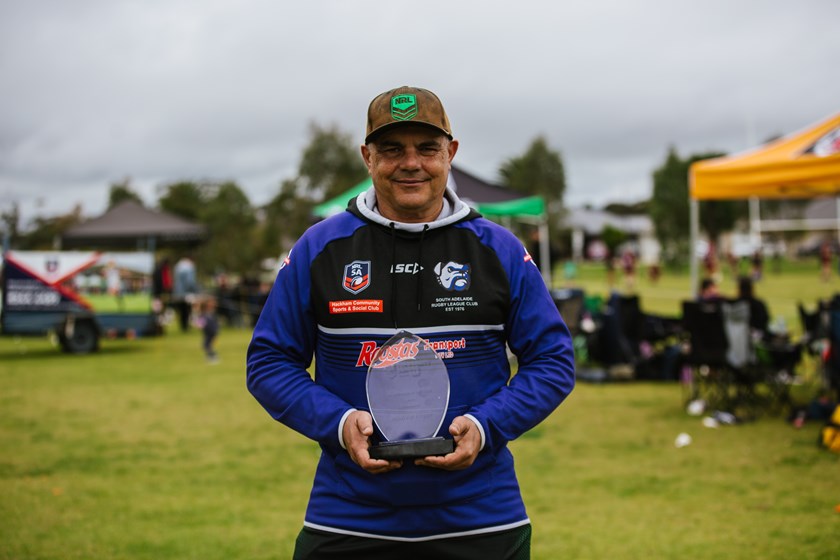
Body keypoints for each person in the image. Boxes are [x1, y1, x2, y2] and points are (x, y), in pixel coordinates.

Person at [246, 86, 575, 558]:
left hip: (481, 517)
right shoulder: (320, 247)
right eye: (391, 149)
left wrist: (485, 427)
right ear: (367, 157)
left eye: (426, 148)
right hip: (350, 517)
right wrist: (339, 424)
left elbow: (553, 361)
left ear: (451, 153)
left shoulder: (498, 250)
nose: (411, 163)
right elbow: (269, 362)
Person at [172, 255, 198, 332]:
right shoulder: (189, 267)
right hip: (186, 293)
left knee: (182, 310)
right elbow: (190, 282)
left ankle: (183, 326)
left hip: (178, 292)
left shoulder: (178, 266)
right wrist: (195, 290)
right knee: (187, 310)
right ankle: (186, 326)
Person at [195, 296, 220, 364]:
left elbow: (214, 323)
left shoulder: (211, 313)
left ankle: (213, 357)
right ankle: (210, 356)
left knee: (207, 345)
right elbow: (200, 322)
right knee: (206, 345)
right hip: (208, 332)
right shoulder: (203, 313)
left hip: (212, 332)